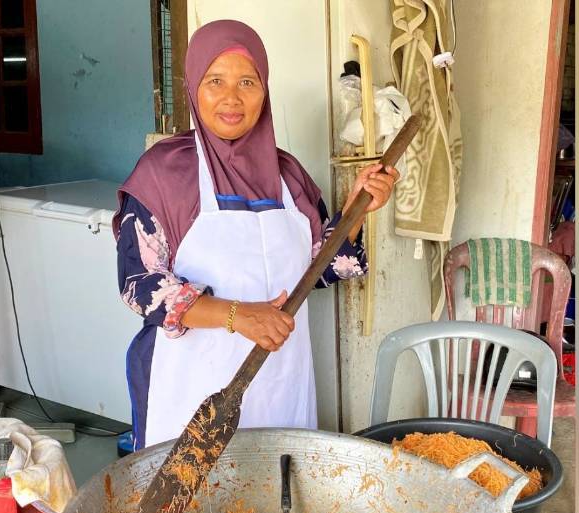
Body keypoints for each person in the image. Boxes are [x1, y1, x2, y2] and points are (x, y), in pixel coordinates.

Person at [114, 20, 398, 451]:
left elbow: (318, 269)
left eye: (247, 82)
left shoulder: (289, 175)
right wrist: (238, 315)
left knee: (275, 487)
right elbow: (141, 286)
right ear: (193, 86)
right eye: (215, 81)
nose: (232, 97)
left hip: (280, 384)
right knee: (194, 493)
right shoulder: (163, 173)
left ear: (264, 89)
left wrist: (357, 209)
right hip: (189, 391)